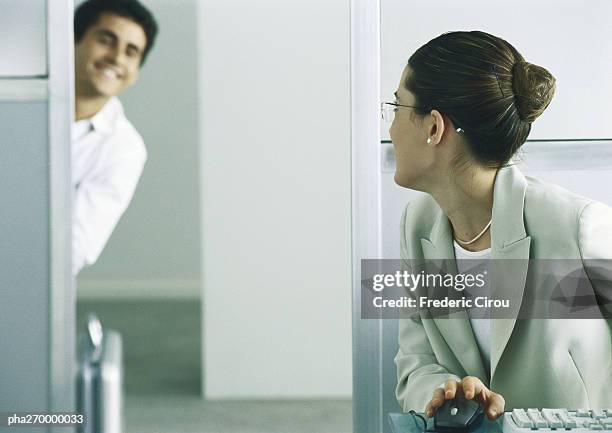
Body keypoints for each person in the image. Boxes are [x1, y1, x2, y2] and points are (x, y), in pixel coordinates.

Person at [387, 31, 612, 418]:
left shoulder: (575, 226)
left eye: (396, 107)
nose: (390, 129)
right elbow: (415, 361)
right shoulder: (417, 226)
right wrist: (446, 391)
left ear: (434, 127)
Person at [72, 0, 158, 275]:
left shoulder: (124, 149)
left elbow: (74, 248)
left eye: (132, 52)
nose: (117, 58)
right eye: (107, 40)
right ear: (72, 41)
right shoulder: (15, 102)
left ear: (136, 72)